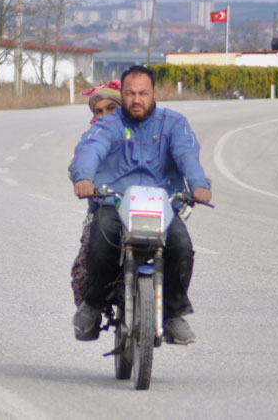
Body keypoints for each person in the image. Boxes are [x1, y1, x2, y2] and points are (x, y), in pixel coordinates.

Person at [69, 65, 212, 345]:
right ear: (122, 95)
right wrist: (84, 178)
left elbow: (187, 155)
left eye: (143, 93)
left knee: (181, 247)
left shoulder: (173, 123)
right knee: (101, 244)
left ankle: (172, 315)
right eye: (130, 93)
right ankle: (94, 304)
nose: (137, 99)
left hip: (161, 206)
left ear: (154, 93)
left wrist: (199, 184)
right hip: (114, 202)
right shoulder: (107, 124)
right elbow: (90, 150)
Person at [70, 80, 121, 305]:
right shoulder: (92, 137)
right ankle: (90, 308)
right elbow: (82, 160)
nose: (104, 115)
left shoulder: (143, 133)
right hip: (106, 208)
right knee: (88, 263)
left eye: (111, 108)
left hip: (145, 211)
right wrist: (83, 178)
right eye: (98, 111)